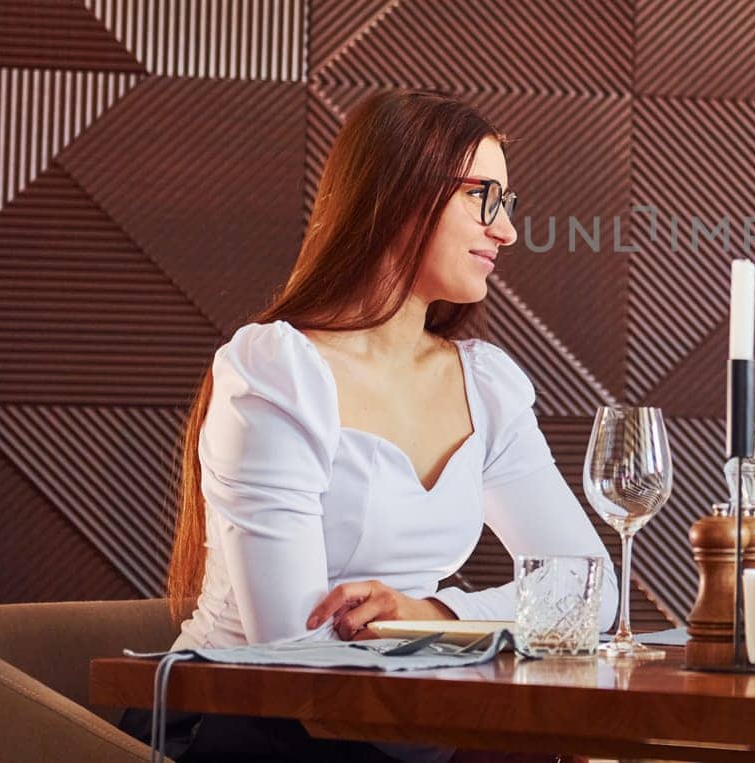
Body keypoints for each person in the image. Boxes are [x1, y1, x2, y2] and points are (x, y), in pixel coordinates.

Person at [124, 89, 616, 762]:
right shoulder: (276, 373)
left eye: (509, 205)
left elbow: (590, 590)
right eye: (485, 198)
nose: (507, 231)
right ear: (399, 193)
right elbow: (294, 651)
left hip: (408, 723)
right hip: (250, 723)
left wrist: (435, 615)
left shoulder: (486, 385)